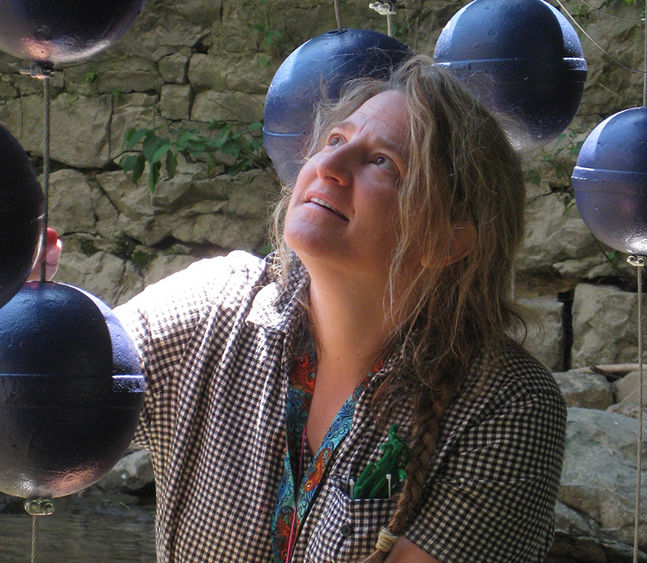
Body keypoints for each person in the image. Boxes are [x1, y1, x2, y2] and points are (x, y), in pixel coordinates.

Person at [36, 55, 566, 562]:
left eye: (383, 161)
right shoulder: (216, 308)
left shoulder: (507, 404)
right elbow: (44, 407)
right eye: (335, 139)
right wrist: (33, 327)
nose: (328, 165)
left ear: (446, 241)